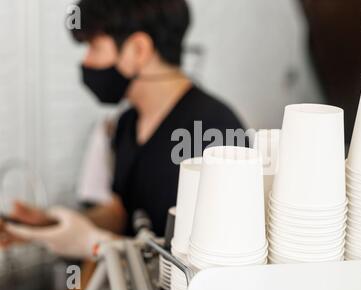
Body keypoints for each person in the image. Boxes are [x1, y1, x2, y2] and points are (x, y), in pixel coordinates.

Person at [0, 0, 244, 259]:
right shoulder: (126, 123)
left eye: (94, 47)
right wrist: (53, 224)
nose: (86, 61)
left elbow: (214, 264)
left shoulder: (217, 133)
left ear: (138, 49)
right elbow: (121, 212)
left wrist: (93, 243)